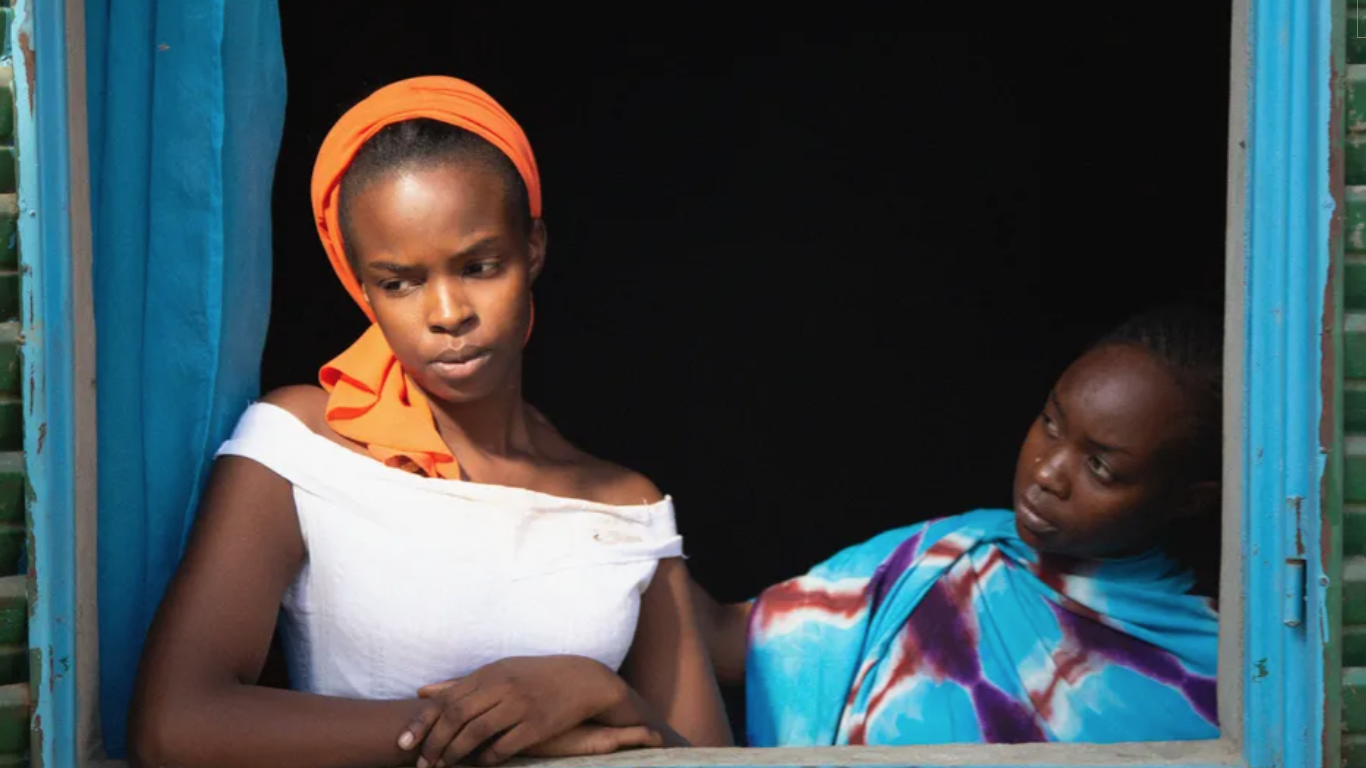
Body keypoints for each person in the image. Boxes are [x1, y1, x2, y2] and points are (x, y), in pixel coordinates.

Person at [128, 76, 732, 768]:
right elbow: (175, 724)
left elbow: (712, 762)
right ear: (359, 284)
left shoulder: (627, 506)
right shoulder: (300, 445)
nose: (447, 312)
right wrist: (489, 729)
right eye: (399, 282)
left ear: (532, 248)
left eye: (479, 266)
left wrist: (597, 691)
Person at [694, 306, 1223, 746]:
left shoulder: (1226, 681)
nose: (1047, 473)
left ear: (1188, 502)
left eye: (1100, 467)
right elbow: (728, 642)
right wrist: (632, 511)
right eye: (1051, 424)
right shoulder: (949, 557)